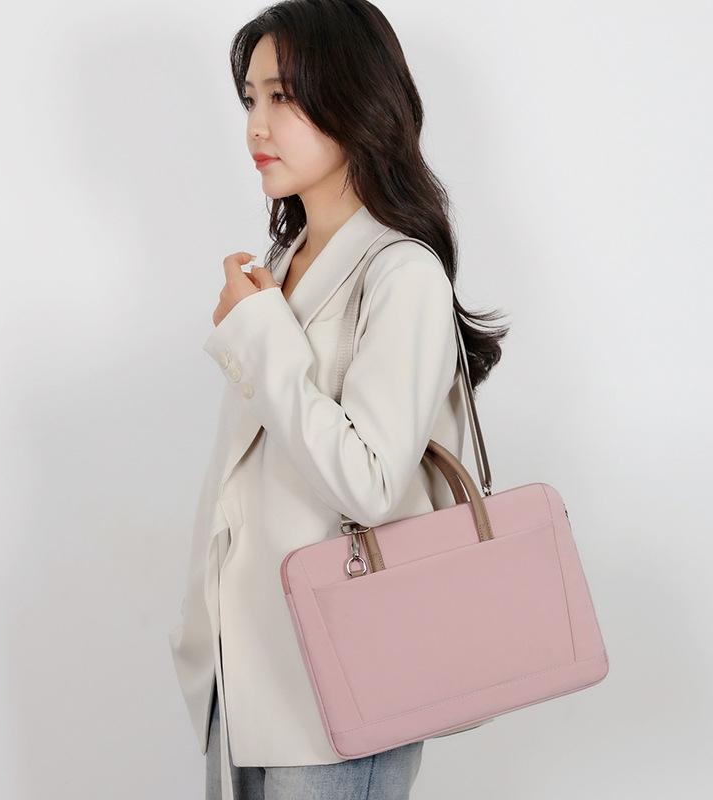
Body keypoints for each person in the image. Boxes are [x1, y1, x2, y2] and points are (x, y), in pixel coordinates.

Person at [167, 2, 509, 798]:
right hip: (244, 673)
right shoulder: (282, 261)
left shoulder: (401, 273)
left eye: (283, 97)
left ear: (355, 98)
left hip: (341, 686)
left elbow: (369, 482)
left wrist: (259, 332)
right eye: (250, 99)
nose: (257, 126)